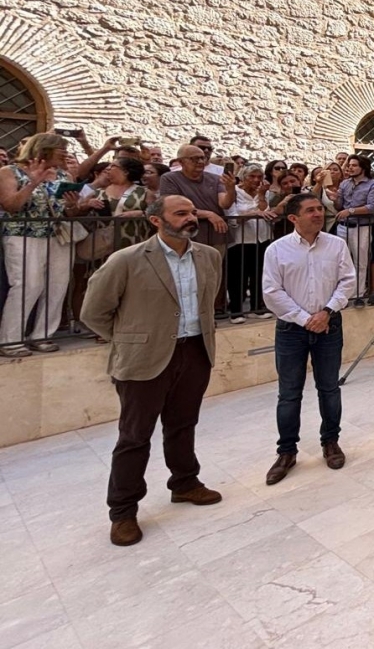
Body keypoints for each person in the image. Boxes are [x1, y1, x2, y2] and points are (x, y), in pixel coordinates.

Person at [81, 195, 224, 546]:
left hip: (194, 352)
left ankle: (185, 483)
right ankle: (123, 511)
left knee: (183, 424)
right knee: (134, 436)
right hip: (144, 360)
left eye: (192, 212)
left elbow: (209, 301)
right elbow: (93, 312)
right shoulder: (126, 260)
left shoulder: (209, 256)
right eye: (181, 213)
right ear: (156, 221)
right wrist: (132, 340)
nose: (191, 218)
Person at [261, 193, 356, 485]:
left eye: (319, 209)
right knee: (289, 393)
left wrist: (326, 312)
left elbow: (348, 281)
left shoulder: (337, 245)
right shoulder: (276, 250)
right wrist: (306, 319)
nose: (318, 214)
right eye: (310, 210)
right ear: (293, 218)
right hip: (291, 330)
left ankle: (331, 442)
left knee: (329, 388)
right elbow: (271, 292)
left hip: (330, 325)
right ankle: (287, 452)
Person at [0, 133, 99, 357]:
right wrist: (33, 182)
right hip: (23, 235)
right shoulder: (9, 172)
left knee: (58, 285)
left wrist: (75, 206)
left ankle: (42, 335)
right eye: (60, 149)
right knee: (27, 285)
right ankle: (10, 340)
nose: (65, 153)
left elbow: (68, 212)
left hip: (57, 235)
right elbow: (11, 206)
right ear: (43, 149)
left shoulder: (63, 174)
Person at [159, 145, 236, 314]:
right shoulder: (170, 179)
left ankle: (208, 312)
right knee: (187, 275)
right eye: (194, 158)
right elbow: (172, 205)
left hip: (216, 235)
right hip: (185, 236)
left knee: (212, 276)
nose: (200, 161)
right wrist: (208, 214)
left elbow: (224, 203)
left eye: (202, 158)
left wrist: (230, 188)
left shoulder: (214, 179)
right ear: (181, 162)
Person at [225, 164, 276, 324]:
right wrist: (252, 213)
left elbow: (266, 211)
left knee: (259, 274)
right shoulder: (235, 192)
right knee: (237, 276)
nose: (256, 180)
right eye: (252, 177)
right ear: (243, 177)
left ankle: (257, 307)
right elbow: (232, 216)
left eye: (259, 177)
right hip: (240, 240)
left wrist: (261, 195)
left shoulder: (263, 193)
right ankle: (236, 311)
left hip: (262, 238)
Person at [332, 154, 374, 304]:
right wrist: (336, 199)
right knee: (340, 261)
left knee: (360, 262)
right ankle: (341, 295)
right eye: (349, 165)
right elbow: (339, 206)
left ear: (363, 168)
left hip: (361, 227)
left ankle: (358, 295)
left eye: (353, 165)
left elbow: (373, 207)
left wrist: (350, 211)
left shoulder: (373, 184)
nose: (349, 168)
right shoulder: (345, 184)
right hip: (343, 226)